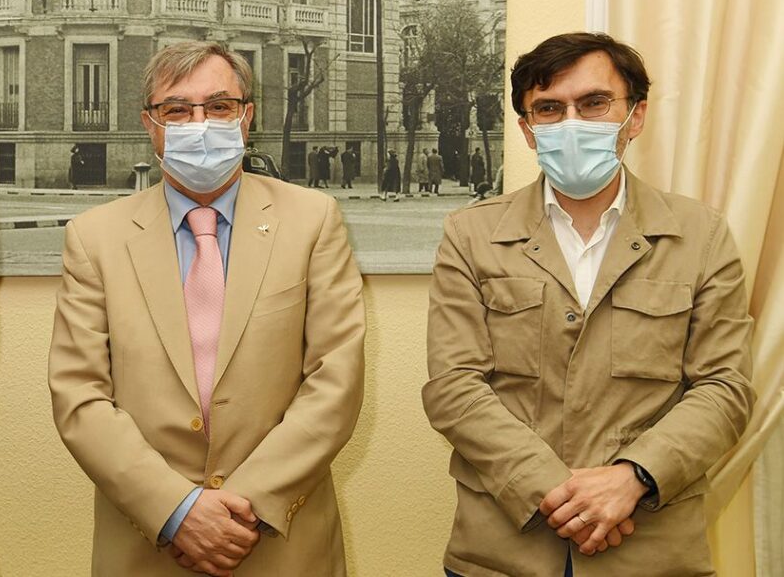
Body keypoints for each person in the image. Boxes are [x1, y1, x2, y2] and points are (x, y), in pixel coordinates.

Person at [423, 32, 754, 577]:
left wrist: (633, 476)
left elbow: (725, 387)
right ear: (528, 131)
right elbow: (454, 387)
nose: (572, 122)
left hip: (651, 547)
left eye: (595, 103)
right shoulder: (470, 234)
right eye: (549, 108)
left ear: (636, 115)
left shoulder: (702, 234)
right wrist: (555, 490)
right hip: (503, 549)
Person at [49, 41, 365, 577]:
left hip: (280, 545)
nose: (199, 123)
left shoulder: (313, 221)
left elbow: (335, 383)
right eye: (177, 109)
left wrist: (242, 508)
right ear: (151, 124)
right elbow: (80, 397)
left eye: (218, 106)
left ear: (247, 118)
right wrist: (179, 512)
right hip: (149, 547)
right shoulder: (94, 238)